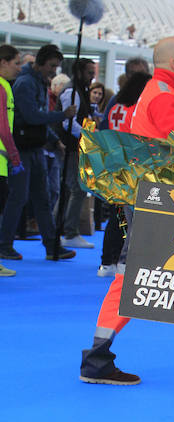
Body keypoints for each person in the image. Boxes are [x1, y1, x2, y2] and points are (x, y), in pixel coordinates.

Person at [79, 36, 174, 395]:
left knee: (151, 279)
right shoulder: (165, 94)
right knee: (171, 279)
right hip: (159, 202)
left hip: (151, 200)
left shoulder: (158, 91)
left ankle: (100, 358)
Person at [0, 44, 77, 263]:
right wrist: (61, 115)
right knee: (19, 198)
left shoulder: (36, 82)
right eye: (52, 66)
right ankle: (5, 244)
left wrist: (54, 139)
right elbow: (32, 116)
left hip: (33, 147)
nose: (54, 71)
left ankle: (51, 245)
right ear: (41, 63)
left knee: (41, 198)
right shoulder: (25, 83)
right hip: (22, 149)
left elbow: (35, 119)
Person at [96, 71, 152, 277]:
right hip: (132, 165)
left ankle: (107, 262)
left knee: (116, 214)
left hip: (113, 162)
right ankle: (124, 261)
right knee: (132, 216)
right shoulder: (137, 108)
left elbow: (103, 130)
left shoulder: (115, 103)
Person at [57, 57, 96, 249]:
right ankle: (69, 231)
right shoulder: (71, 91)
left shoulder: (80, 91)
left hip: (76, 146)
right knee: (77, 189)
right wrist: (86, 136)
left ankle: (60, 228)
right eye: (89, 73)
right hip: (72, 147)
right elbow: (67, 121)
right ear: (79, 72)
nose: (92, 77)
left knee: (70, 189)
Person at [0, 44, 22, 277]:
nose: (19, 68)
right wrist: (15, 157)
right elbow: (3, 128)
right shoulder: (2, 87)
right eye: (16, 63)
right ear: (3, 62)